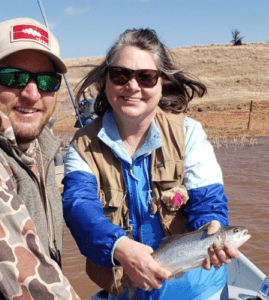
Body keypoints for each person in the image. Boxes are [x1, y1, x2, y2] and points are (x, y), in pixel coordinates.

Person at [62, 28, 238, 300]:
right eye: (120, 75)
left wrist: (212, 229)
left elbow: (208, 202)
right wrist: (120, 247)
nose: (132, 86)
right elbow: (78, 207)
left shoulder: (189, 133)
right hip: (126, 293)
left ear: (161, 84)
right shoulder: (82, 146)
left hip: (197, 291)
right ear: (106, 81)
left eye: (146, 77)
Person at [0, 18, 80, 299]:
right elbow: (36, 286)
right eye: (13, 77)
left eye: (47, 81)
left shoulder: (38, 146)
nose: (32, 94)